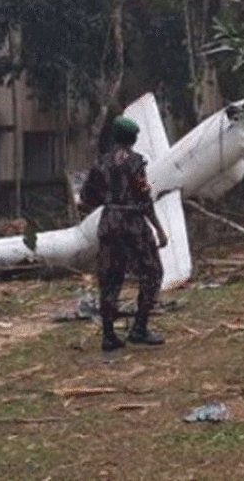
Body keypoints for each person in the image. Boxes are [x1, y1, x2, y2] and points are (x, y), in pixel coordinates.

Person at [80, 116, 170, 352]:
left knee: (110, 279)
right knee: (152, 272)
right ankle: (139, 328)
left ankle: (109, 336)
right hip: (132, 223)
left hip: (109, 222)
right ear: (132, 139)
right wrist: (159, 229)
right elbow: (143, 196)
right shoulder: (136, 163)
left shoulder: (101, 163)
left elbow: (86, 198)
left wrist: (110, 202)